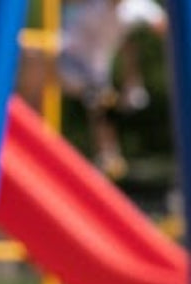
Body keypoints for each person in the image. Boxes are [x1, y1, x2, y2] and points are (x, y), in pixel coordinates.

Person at [56, 0, 169, 178]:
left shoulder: (136, 7)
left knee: (101, 101)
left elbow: (165, 27)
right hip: (64, 54)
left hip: (94, 68)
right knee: (98, 97)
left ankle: (107, 155)